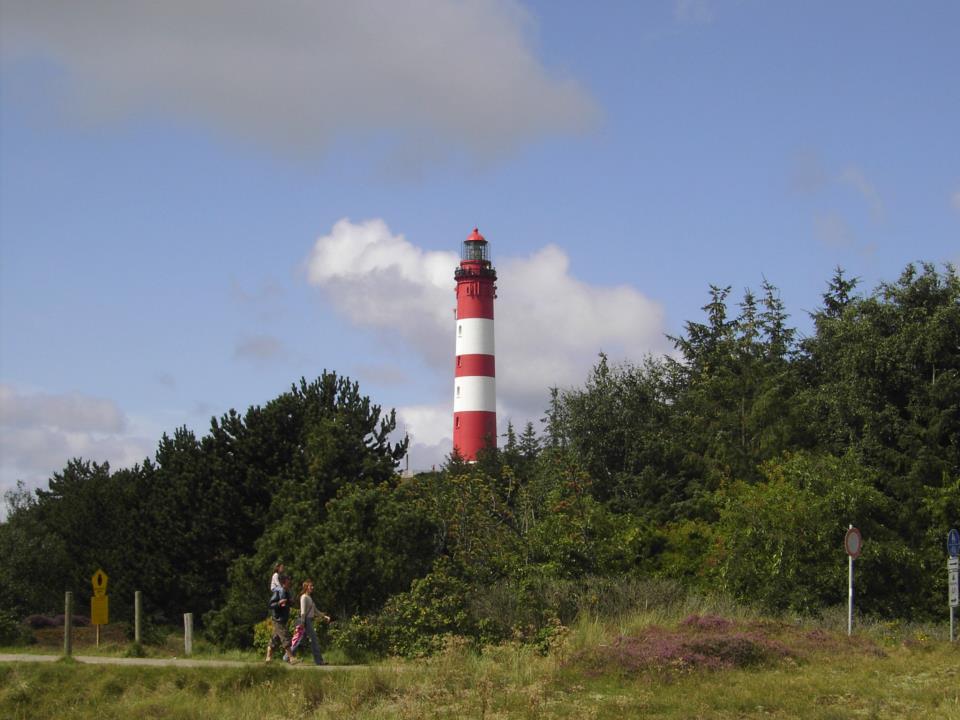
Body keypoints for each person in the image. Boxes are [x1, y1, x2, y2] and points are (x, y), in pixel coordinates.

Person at [266, 574, 298, 664]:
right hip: (278, 619)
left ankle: (268, 658)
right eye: (288, 581)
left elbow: (288, 604)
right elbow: (270, 605)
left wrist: (291, 602)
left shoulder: (287, 592)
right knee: (285, 637)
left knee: (274, 639)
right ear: (284, 582)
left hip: (283, 619)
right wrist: (279, 603)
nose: (290, 582)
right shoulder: (278, 592)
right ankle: (291, 658)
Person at [298, 578, 330, 666]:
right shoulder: (304, 597)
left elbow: (316, 611)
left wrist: (325, 616)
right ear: (306, 587)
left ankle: (287, 657)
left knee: (299, 640)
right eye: (311, 586)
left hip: (308, 621)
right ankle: (319, 661)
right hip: (306, 621)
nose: (312, 587)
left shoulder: (309, 598)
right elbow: (303, 612)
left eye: (312, 586)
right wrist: (302, 623)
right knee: (314, 640)